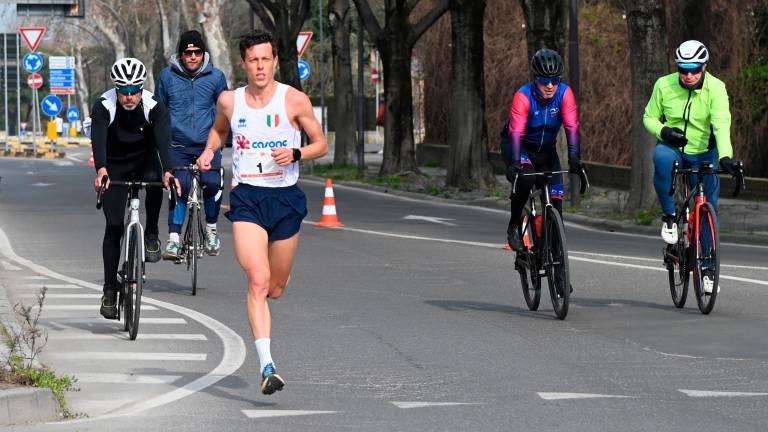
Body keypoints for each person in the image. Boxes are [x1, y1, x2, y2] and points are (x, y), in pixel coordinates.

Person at [197, 30, 328, 395]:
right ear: (243, 62)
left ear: (274, 61)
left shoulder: (295, 100)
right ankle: (267, 366)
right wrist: (210, 152)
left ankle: (269, 305)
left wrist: (298, 153)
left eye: (265, 59)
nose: (259, 66)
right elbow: (218, 133)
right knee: (257, 279)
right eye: (253, 60)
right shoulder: (229, 101)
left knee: (275, 287)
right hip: (248, 199)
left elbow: (321, 143)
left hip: (285, 199)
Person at [644, 40, 742, 293]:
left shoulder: (717, 88)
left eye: (694, 69)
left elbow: (722, 124)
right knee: (662, 158)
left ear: (704, 67)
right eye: (683, 69)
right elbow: (649, 117)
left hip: (705, 151)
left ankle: (708, 268)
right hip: (674, 146)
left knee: (710, 209)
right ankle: (669, 218)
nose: (688, 75)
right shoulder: (663, 85)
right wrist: (664, 130)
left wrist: (726, 158)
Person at [91, 58, 179, 319]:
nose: (129, 97)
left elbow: (164, 141)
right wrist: (101, 170)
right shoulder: (104, 105)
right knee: (114, 226)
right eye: (124, 91)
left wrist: (168, 171)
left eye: (134, 91)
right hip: (114, 165)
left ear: (142, 88)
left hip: (144, 161)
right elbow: (98, 139)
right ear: (116, 89)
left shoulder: (154, 106)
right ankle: (109, 288)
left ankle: (151, 232)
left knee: (155, 182)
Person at [155, 30, 228, 259]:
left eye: (197, 52)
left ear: (203, 53)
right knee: (179, 189)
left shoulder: (216, 77)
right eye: (188, 53)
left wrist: (222, 140)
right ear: (181, 54)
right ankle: (174, 240)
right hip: (177, 146)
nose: (193, 57)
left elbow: (224, 111)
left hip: (208, 145)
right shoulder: (166, 77)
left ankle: (212, 230)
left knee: (212, 183)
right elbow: (160, 112)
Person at [500, 48, 582, 253]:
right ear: (536, 78)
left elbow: (572, 127)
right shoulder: (523, 96)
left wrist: (574, 157)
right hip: (521, 146)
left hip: (546, 150)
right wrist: (515, 163)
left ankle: (559, 274)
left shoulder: (564, 93)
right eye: (545, 80)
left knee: (556, 205)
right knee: (526, 178)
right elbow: (516, 132)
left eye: (555, 80)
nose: (550, 86)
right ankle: (514, 226)